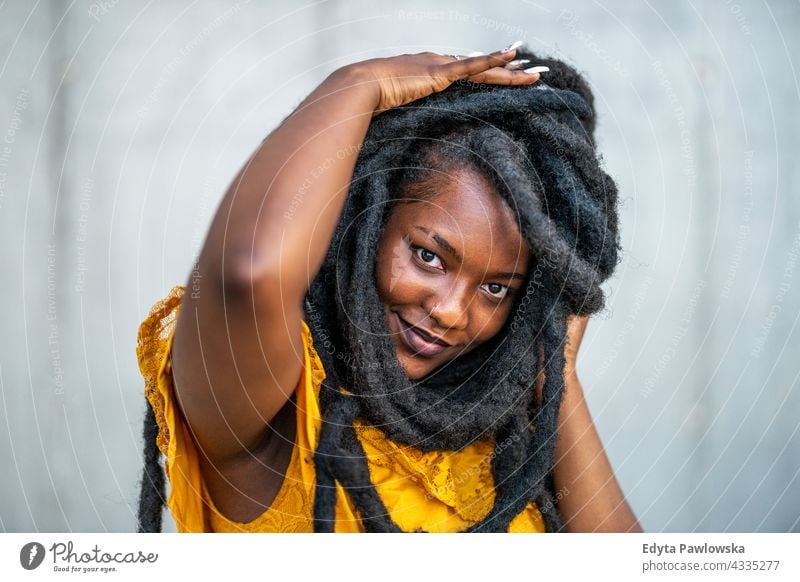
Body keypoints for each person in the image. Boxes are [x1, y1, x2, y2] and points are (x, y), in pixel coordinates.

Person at [136, 42, 642, 533]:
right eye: (428, 257)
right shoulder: (276, 408)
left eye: (496, 289)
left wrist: (557, 371)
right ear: (367, 221)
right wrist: (359, 84)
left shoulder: (508, 439)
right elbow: (249, 272)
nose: (449, 311)